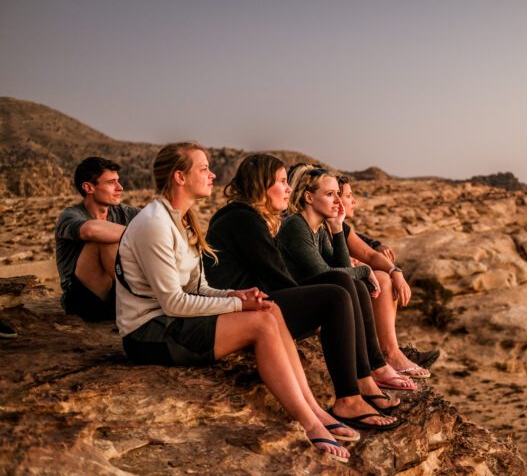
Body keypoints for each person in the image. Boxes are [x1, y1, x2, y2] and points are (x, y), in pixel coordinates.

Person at [115, 142, 351, 463]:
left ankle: (314, 409)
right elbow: (174, 303)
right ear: (180, 177)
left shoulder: (182, 219)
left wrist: (235, 295)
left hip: (173, 322)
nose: (212, 175)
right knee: (260, 322)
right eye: (203, 169)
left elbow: (199, 287)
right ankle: (309, 423)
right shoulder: (154, 224)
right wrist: (239, 306)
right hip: (150, 333)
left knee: (269, 308)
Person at [204, 153, 402, 425]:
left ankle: (364, 380)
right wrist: (323, 306)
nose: (287, 189)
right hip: (240, 311)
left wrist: (336, 232)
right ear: (261, 186)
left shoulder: (251, 218)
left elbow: (328, 270)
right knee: (335, 295)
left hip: (254, 301)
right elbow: (281, 279)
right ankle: (349, 398)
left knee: (343, 284)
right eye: (281, 182)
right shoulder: (245, 220)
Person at [278, 166, 417, 392]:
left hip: (315, 300)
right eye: (330, 194)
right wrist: (364, 270)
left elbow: (338, 268)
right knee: (354, 281)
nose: (338, 201)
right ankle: (371, 372)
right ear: (309, 197)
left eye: (338, 194)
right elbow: (324, 274)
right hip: (293, 308)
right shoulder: (295, 226)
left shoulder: (319, 229)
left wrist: (336, 228)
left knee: (357, 286)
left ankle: (376, 368)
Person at [336, 174, 438, 376]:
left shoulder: (341, 226)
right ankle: (390, 353)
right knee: (380, 278)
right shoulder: (317, 227)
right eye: (349, 196)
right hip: (331, 287)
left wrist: (396, 272)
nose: (354, 201)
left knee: (385, 274)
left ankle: (392, 349)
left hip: (343, 283)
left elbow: (369, 251)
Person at [54, 157, 140, 321]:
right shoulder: (70, 215)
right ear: (89, 187)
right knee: (104, 241)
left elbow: (157, 223)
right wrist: (140, 233)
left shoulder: (124, 212)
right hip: (82, 300)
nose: (120, 188)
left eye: (118, 181)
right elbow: (90, 230)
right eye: (111, 182)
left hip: (115, 294)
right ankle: (144, 298)